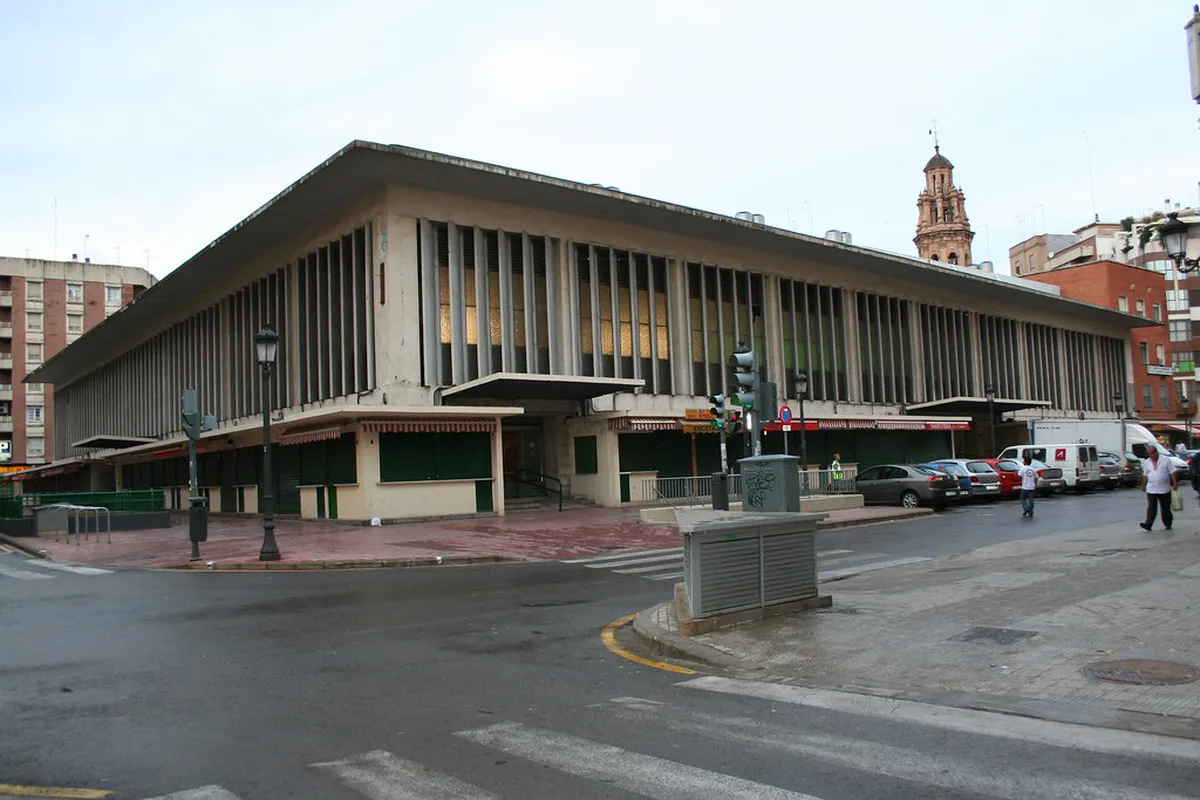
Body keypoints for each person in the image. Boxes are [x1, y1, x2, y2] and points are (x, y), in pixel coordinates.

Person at [1140, 447, 1177, 531]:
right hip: (1151, 488)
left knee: (1165, 508)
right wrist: (1143, 485)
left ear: (1156, 452)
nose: (1151, 456)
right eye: (1149, 454)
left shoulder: (1165, 460)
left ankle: (1168, 524)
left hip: (1164, 489)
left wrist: (1174, 483)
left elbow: (1172, 472)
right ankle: (1148, 524)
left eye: (1152, 453)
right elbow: (1145, 475)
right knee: (1151, 508)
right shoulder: (1147, 462)